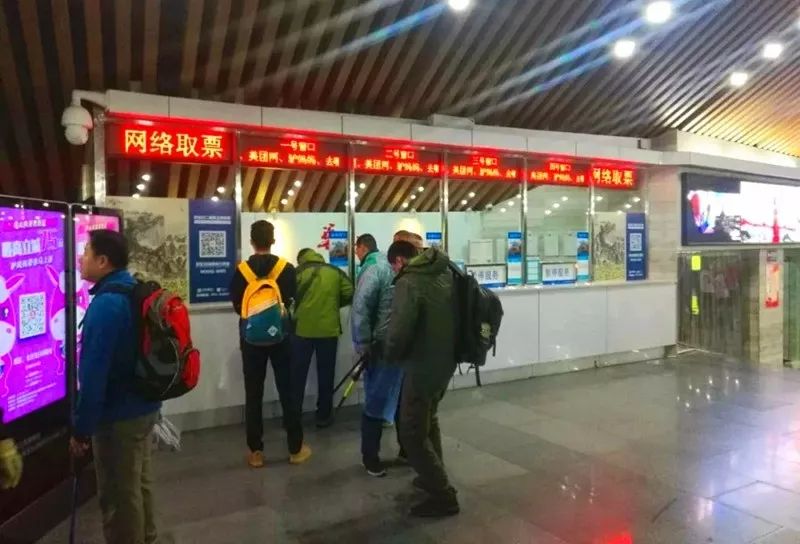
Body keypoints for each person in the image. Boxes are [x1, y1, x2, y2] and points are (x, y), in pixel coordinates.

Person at [70, 229, 162, 544]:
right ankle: (148, 537)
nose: (80, 258)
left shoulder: (106, 305)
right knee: (139, 485)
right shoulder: (133, 290)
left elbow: (93, 375)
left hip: (118, 418)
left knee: (119, 497)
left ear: (103, 261)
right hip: (144, 407)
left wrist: (82, 429)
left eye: (86, 252)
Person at [385, 241, 460, 518]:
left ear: (400, 260)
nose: (394, 272)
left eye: (393, 267)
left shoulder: (410, 282)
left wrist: (388, 354)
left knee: (411, 433)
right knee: (429, 420)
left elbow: (399, 330)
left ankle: (443, 494)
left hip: (422, 366)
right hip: (445, 362)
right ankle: (433, 476)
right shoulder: (444, 272)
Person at [229, 220, 310, 468]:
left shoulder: (242, 271)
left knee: (253, 394)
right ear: (273, 240)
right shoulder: (286, 269)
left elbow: (237, 306)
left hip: (250, 340)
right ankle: (295, 449)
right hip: (282, 338)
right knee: (288, 390)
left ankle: (256, 452)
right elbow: (293, 299)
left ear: (252, 242)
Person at [351, 234, 404, 477]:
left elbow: (360, 307)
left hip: (385, 345)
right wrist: (363, 341)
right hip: (386, 346)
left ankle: (379, 456)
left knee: (385, 400)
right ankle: (371, 457)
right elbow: (361, 307)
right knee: (380, 400)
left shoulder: (375, 268)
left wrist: (363, 342)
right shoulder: (382, 268)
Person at [292, 248, 354, 428]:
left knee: (297, 375)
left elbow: (287, 295)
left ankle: (293, 415)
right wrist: (334, 304)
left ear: (301, 259)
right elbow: (349, 292)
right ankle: (324, 415)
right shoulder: (334, 272)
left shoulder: (298, 272)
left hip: (302, 331)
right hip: (328, 331)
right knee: (326, 374)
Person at [0, 410, 22, 490]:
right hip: (4, 449)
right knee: (11, 472)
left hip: (9, 445)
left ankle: (10, 484)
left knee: (17, 468)